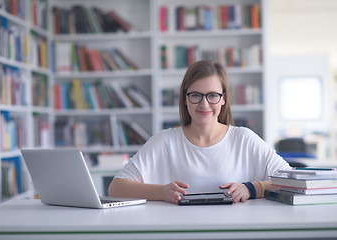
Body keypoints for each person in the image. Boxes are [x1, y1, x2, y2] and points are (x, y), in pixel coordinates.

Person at [109, 60, 291, 204]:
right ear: (185, 99)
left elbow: (291, 182)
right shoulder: (164, 141)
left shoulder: (244, 139)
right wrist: (162, 192)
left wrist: (252, 189)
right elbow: (116, 188)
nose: (204, 104)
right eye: (196, 95)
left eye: (212, 95)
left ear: (223, 99)